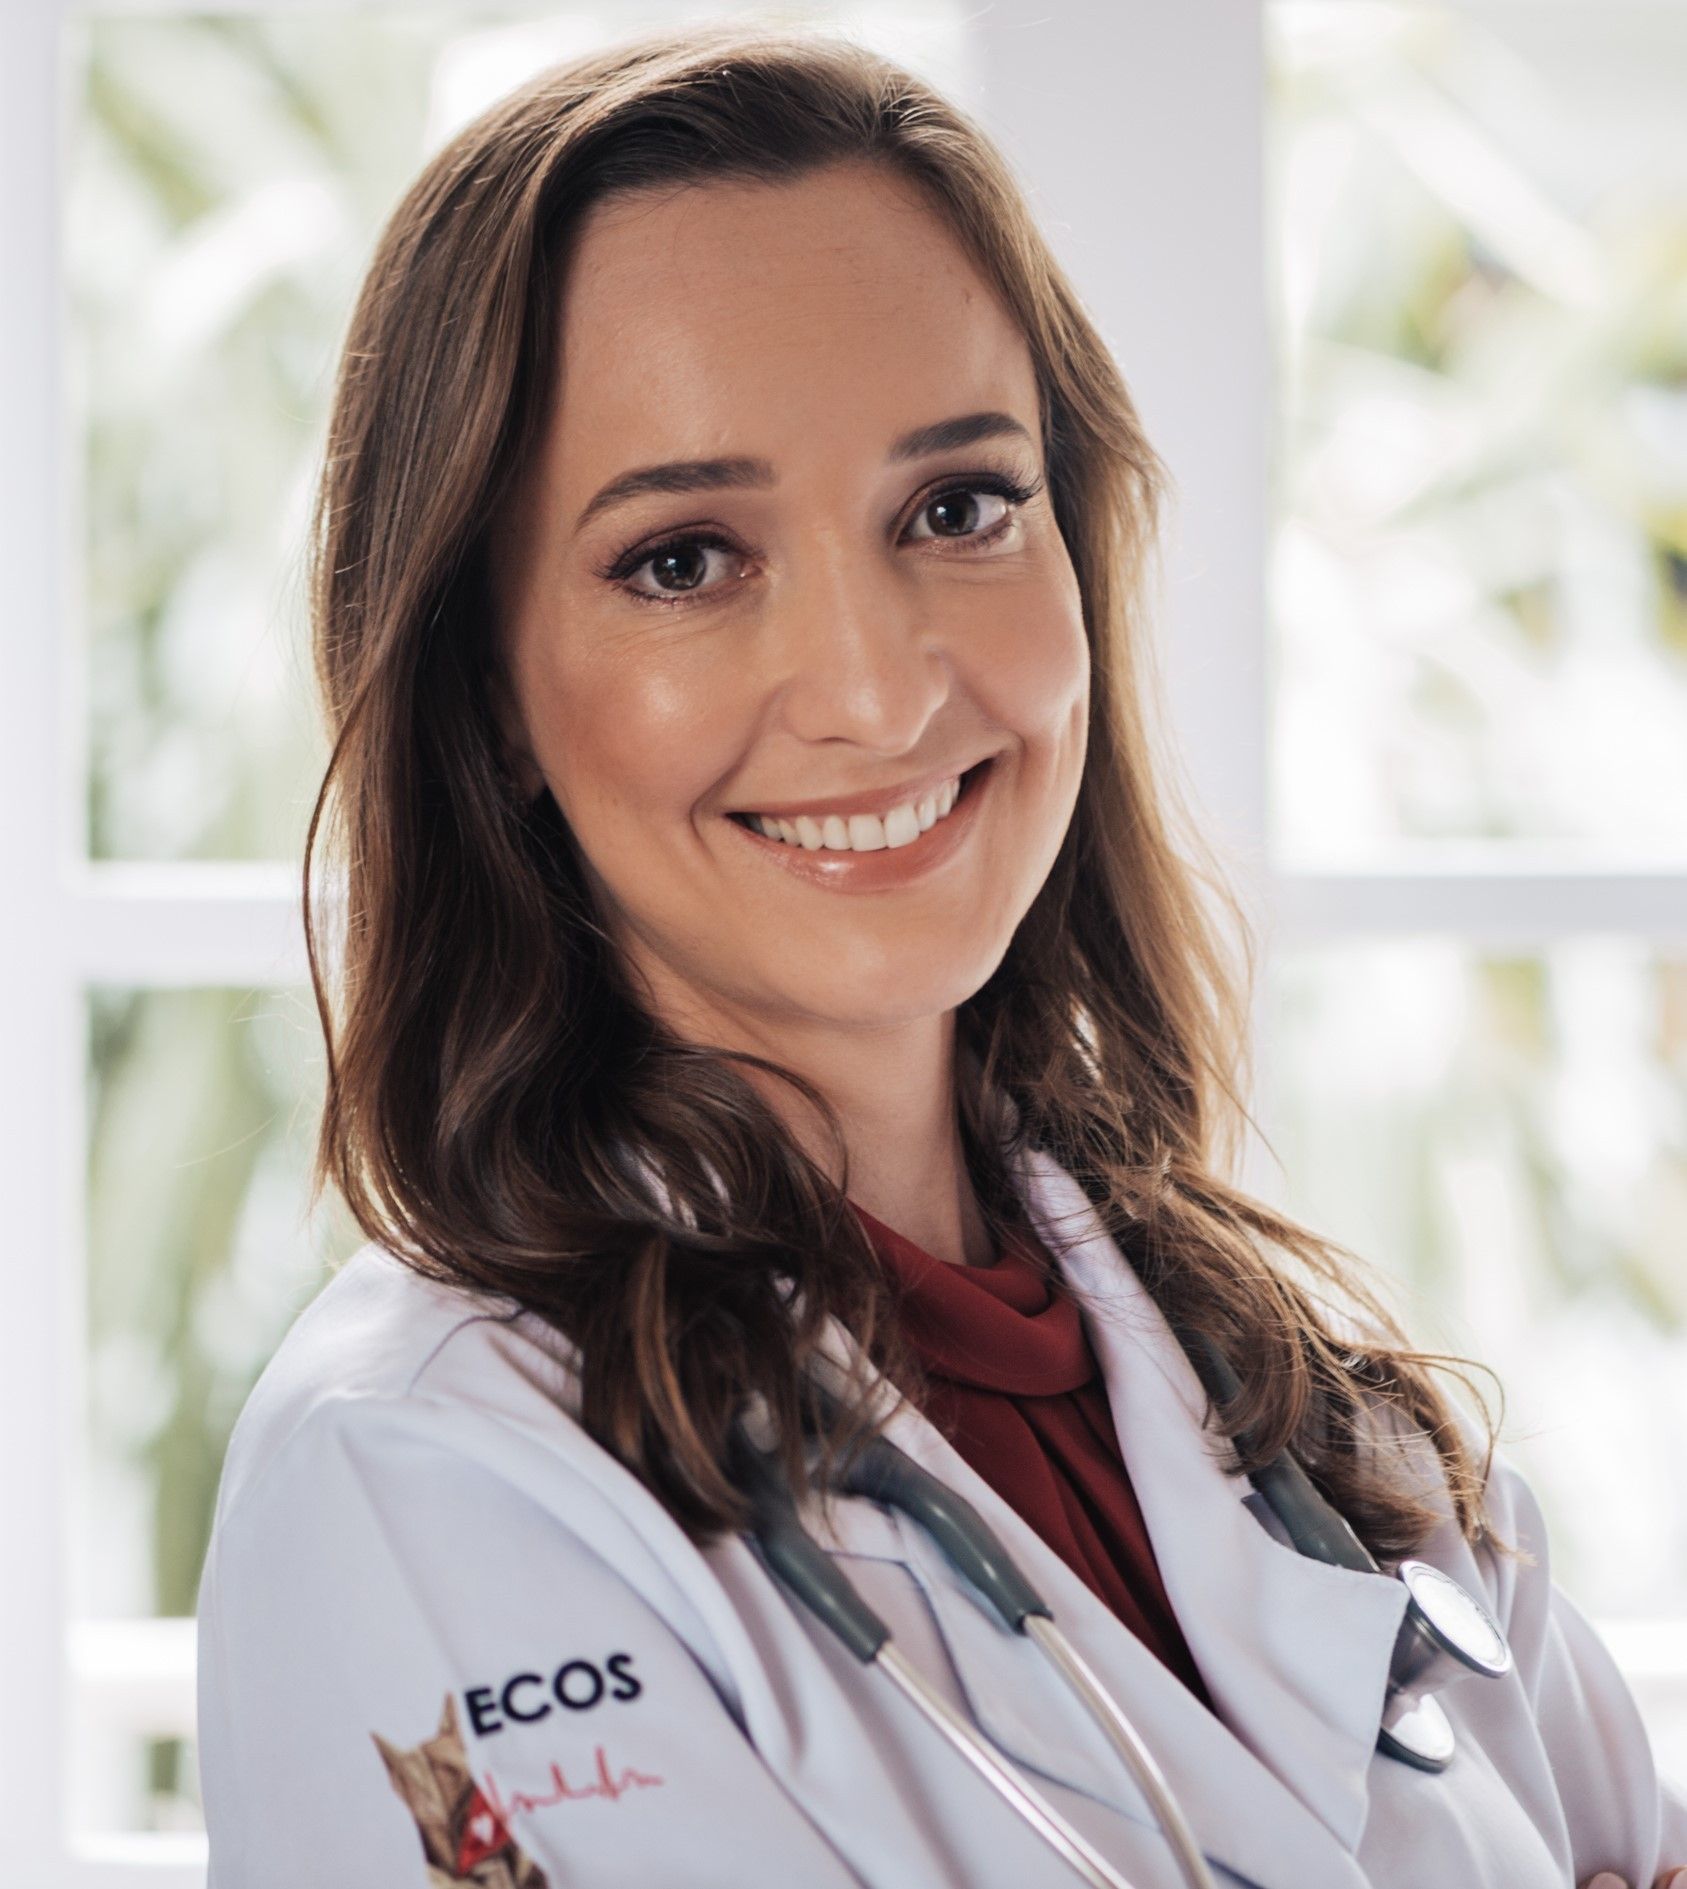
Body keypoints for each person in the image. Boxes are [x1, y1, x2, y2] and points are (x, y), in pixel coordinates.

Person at [193, 23, 1687, 1889]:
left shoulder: (1322, 1413)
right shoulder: (425, 1470)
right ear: (483, 692)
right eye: (685, 559)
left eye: (958, 507)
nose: (880, 689)